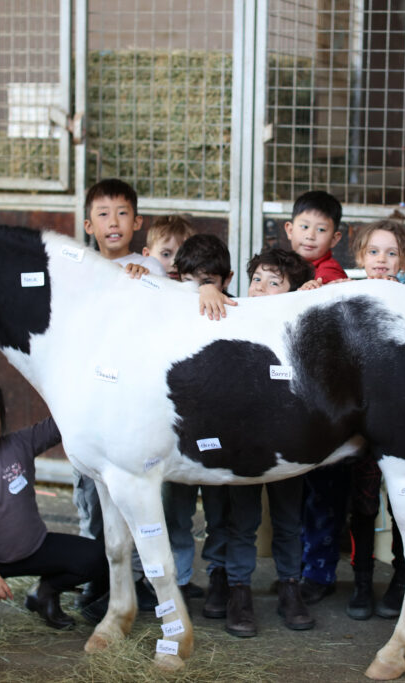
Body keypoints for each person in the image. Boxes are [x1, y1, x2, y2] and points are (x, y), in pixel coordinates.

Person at [0, 376, 108, 635]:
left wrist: (87, 386)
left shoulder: (18, 445)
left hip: (36, 547)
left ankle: (44, 593)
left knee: (97, 557)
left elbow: (59, 426)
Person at [73, 178, 168, 620]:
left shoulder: (150, 268)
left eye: (123, 213)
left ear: (138, 222)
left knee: (136, 500)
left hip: (134, 407)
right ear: (89, 224)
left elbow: (164, 314)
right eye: (104, 214)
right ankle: (99, 581)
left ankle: (143, 583)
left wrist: (144, 279)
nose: (114, 222)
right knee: (93, 503)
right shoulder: (78, 268)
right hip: (93, 405)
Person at [221, 248, 317, 636]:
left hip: (288, 443)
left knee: (289, 521)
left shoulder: (299, 326)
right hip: (244, 443)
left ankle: (290, 587)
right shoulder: (232, 316)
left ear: (293, 292)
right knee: (242, 522)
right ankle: (238, 591)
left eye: (274, 282)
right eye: (257, 278)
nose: (260, 288)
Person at [340, 219, 405, 620]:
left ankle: (402, 580)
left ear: (403, 259)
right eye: (373, 252)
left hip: (402, 424)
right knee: (364, 504)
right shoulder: (347, 296)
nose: (382, 260)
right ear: (359, 257)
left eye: (391, 253)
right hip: (360, 425)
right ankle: (363, 581)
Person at [280, 191, 352, 605]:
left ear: (336, 237)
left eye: (321, 229)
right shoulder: (284, 268)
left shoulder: (331, 276)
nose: (311, 235)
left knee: (325, 492)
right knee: (297, 495)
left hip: (326, 404)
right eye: (304, 227)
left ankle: (319, 573)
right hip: (294, 402)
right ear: (289, 230)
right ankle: (296, 570)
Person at [162, 234, 235, 623]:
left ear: (228, 279)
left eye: (210, 280)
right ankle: (180, 579)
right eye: (191, 280)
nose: (201, 290)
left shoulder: (241, 311)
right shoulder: (167, 308)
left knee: (220, 513)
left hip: (223, 436)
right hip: (178, 435)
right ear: (177, 278)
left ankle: (219, 577)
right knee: (177, 513)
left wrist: (210, 290)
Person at [142, 213, 195, 278]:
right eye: (166, 254)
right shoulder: (138, 280)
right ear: (147, 255)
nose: (174, 263)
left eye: (183, 255)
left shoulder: (197, 286)